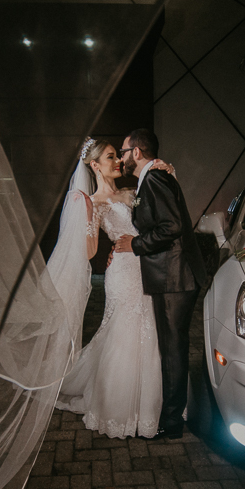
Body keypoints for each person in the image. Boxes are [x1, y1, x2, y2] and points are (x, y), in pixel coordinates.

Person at [51, 137, 173, 439]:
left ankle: (150, 406)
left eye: (118, 156)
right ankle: (117, 407)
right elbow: (90, 251)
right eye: (110, 157)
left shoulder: (133, 192)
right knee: (124, 332)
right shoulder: (93, 202)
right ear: (94, 165)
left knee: (151, 330)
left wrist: (168, 174)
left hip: (146, 270)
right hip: (122, 274)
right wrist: (87, 220)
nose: (118, 161)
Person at [113, 128, 208, 440]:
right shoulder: (154, 176)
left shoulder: (154, 178)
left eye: (124, 151)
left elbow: (172, 226)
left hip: (173, 276)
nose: (122, 157)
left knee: (173, 350)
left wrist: (136, 244)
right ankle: (173, 414)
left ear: (137, 153)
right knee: (173, 348)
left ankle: (171, 423)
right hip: (173, 275)